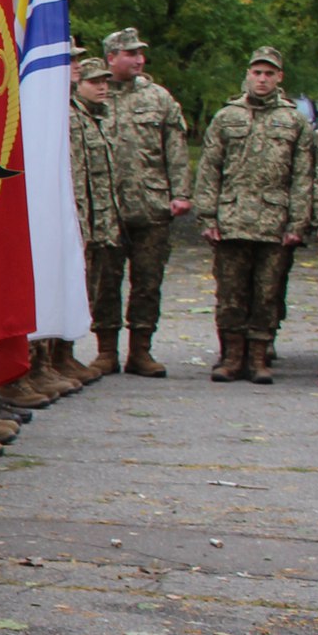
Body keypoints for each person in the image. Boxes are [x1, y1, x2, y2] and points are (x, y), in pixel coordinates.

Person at [195, 46, 313, 384]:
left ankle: (259, 356)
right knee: (230, 293)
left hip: (274, 222)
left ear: (280, 78)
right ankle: (232, 356)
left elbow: (303, 175)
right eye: (257, 73)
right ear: (247, 74)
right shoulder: (226, 117)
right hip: (231, 220)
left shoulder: (293, 120)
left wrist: (297, 223)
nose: (262, 79)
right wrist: (208, 217)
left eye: (269, 74)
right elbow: (209, 169)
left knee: (267, 293)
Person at [97, 27, 194, 378]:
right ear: (111, 58)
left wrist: (181, 193)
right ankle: (105, 350)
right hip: (107, 206)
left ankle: (141, 350)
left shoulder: (159, 98)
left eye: (140, 53)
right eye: (130, 53)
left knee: (148, 282)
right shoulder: (95, 94)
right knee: (105, 281)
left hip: (151, 206)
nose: (138, 60)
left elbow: (177, 150)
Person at [73, 59, 125, 367]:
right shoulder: (71, 117)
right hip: (84, 222)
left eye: (105, 81)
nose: (103, 87)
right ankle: (54, 359)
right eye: (94, 82)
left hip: (103, 221)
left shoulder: (101, 119)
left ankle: (64, 357)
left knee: (95, 289)